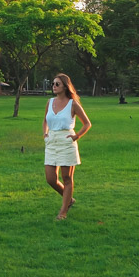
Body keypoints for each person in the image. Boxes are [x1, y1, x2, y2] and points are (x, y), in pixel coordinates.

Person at [43, 73, 92, 220]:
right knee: (50, 179)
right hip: (52, 142)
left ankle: (63, 211)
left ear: (65, 86)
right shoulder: (50, 102)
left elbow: (87, 124)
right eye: (53, 83)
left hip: (66, 141)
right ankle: (69, 199)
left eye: (57, 84)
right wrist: (45, 133)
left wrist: (77, 136)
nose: (54, 86)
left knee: (67, 178)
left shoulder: (73, 104)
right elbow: (45, 120)